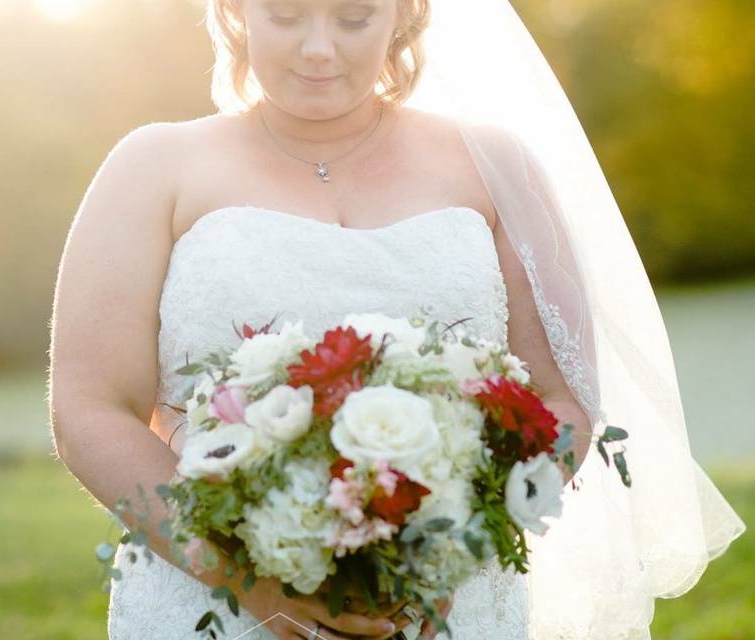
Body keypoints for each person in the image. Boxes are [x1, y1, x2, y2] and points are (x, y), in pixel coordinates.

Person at [48, 1, 746, 639]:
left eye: (355, 16)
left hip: (446, 601)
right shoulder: (152, 166)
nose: (319, 48)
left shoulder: (493, 163)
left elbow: (562, 401)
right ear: (237, 10)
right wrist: (253, 583)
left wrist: (447, 545)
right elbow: (92, 408)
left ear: (404, 15)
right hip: (212, 603)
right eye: (287, 13)